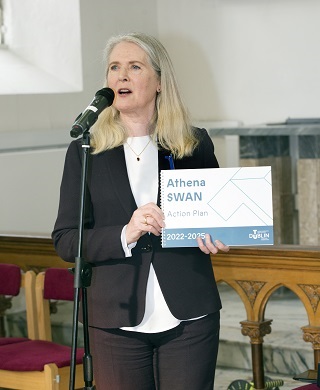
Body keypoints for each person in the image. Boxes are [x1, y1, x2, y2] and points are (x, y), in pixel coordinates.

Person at [52, 32, 229, 390]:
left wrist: (218, 234)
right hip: (115, 317)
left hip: (189, 315)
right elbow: (66, 240)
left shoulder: (192, 144)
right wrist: (125, 232)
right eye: (114, 67)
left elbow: (217, 218)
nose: (122, 76)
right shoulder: (87, 151)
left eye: (135, 66)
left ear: (160, 82)